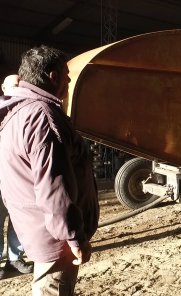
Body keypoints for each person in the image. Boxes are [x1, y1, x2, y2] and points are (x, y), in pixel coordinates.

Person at [0, 46, 99, 295]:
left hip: (36, 226)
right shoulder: (44, 117)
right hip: (55, 237)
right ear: (53, 77)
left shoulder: (18, 109)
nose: (68, 81)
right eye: (66, 75)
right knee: (52, 290)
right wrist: (74, 237)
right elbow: (54, 188)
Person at [0, 74, 34, 279]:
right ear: (3, 88)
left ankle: (15, 257)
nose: (16, 89)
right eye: (13, 86)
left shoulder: (24, 110)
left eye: (19, 85)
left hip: (18, 176)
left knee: (18, 219)